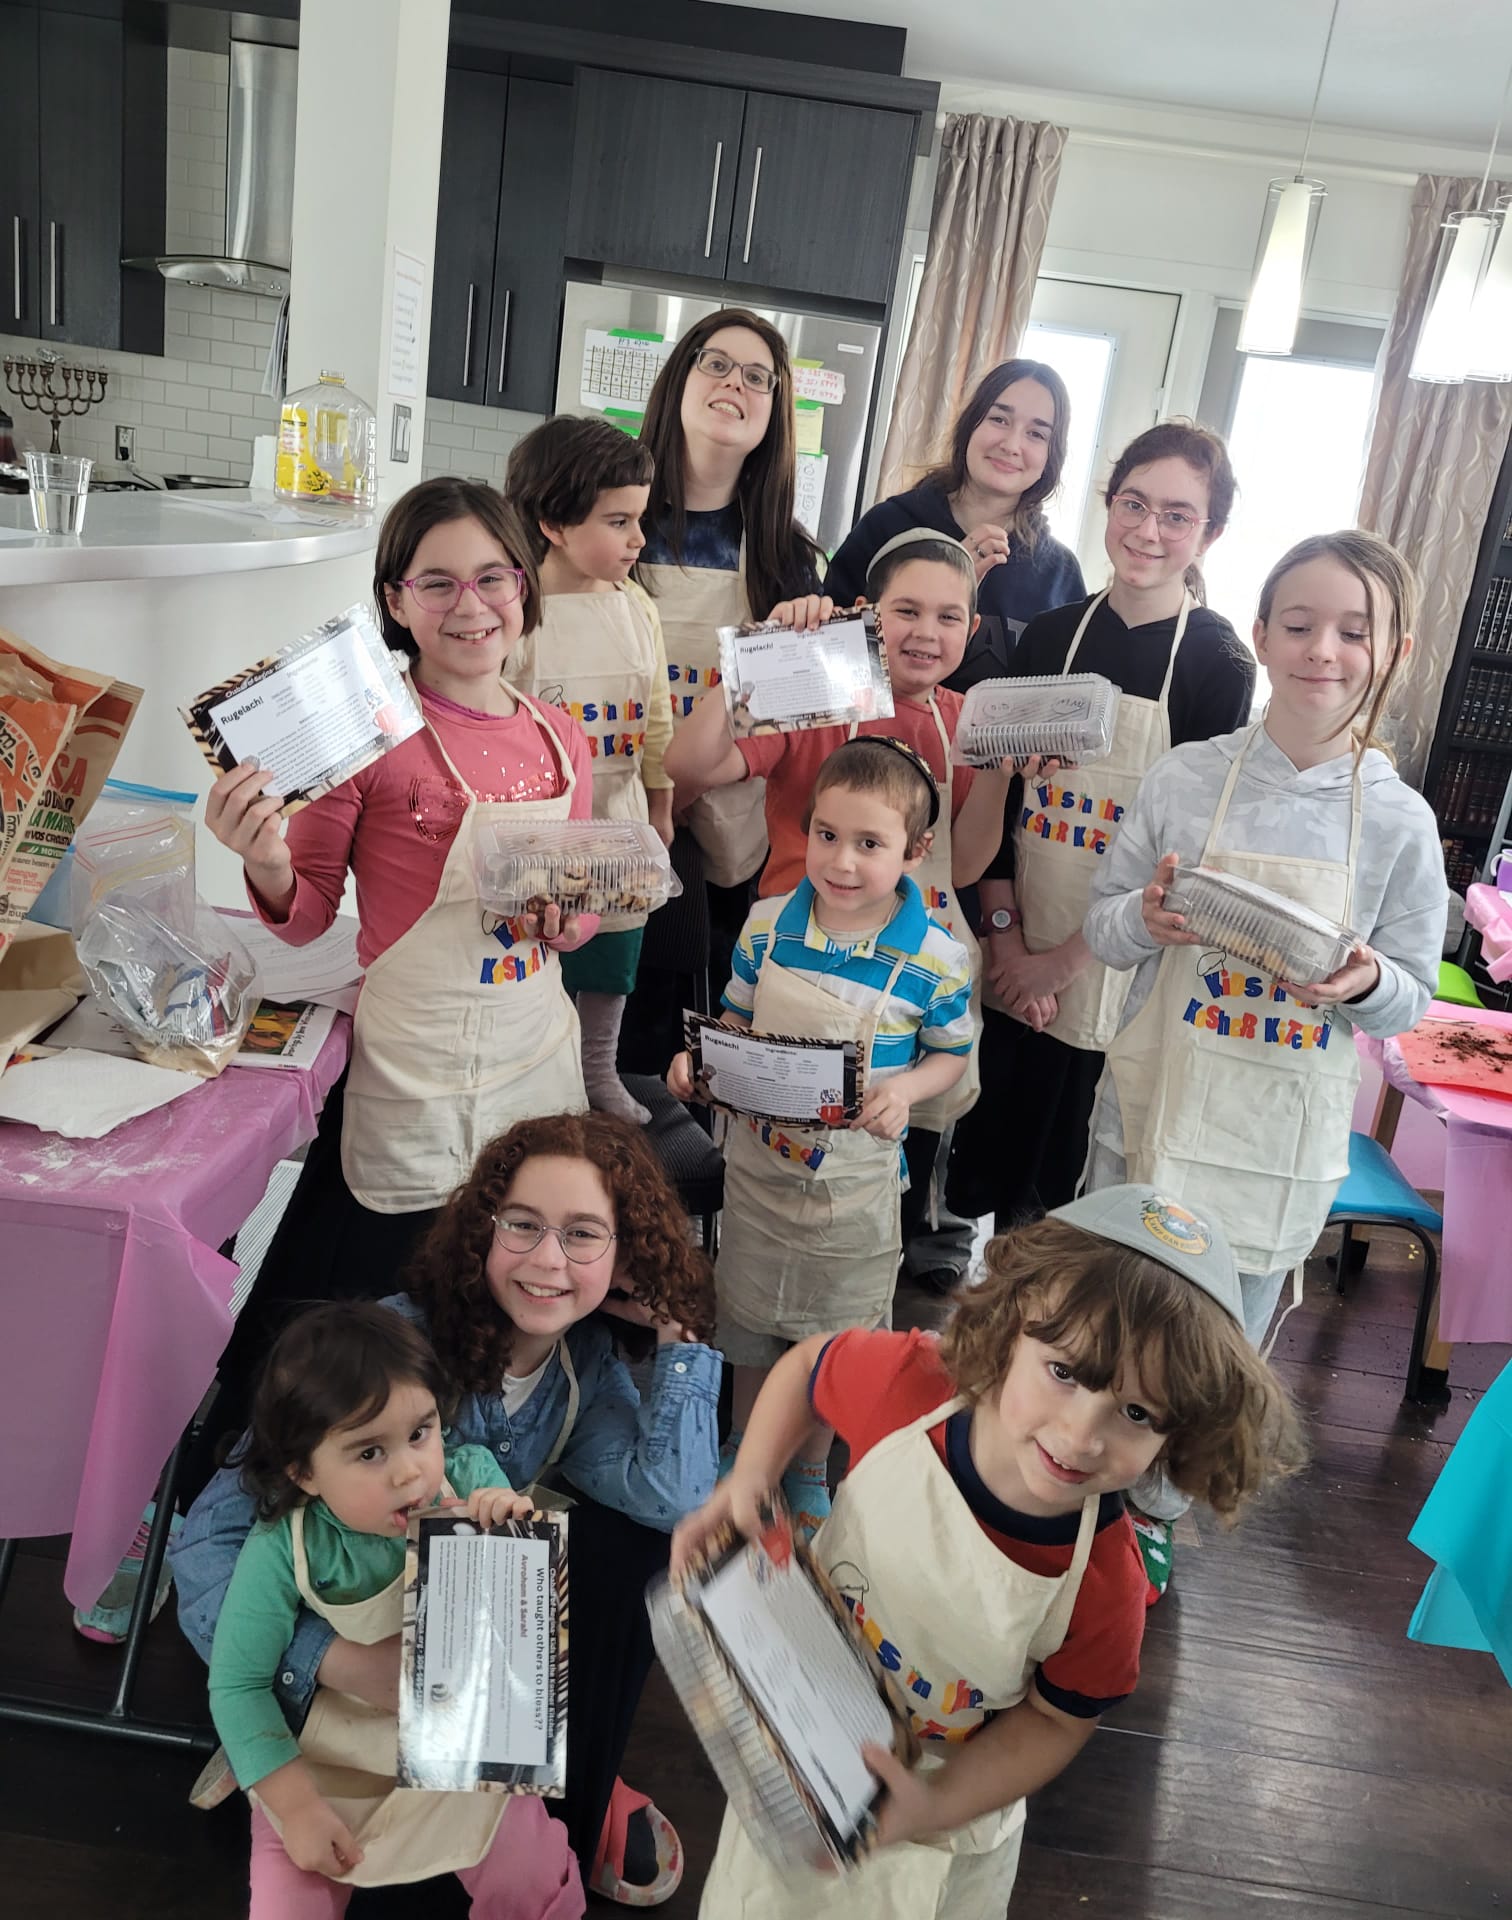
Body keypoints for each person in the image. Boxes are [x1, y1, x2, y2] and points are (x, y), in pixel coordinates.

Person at [673, 1182, 1305, 1919]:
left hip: (951, 1804)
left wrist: (934, 1803)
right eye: (1063, 1373)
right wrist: (750, 1474)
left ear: (1180, 1433)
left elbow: (1056, 1721)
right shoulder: (910, 1388)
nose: (1079, 1436)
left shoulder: (1105, 1587)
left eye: (1136, 1412)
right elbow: (814, 1367)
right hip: (810, 1731)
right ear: (1010, 1329)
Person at [174, 1111, 718, 1906]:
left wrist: (680, 1335)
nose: (547, 1260)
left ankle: (565, 1800)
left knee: (634, 1552)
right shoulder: (381, 1347)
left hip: (457, 1685)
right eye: (523, 1226)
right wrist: (336, 1660)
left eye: (584, 1236)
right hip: (327, 1681)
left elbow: (672, 1496)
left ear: (627, 1253)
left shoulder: (584, 1366)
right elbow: (210, 1544)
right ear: (482, 1230)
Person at [202, 479, 598, 1446]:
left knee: (504, 1289)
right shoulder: (366, 741)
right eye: (437, 583)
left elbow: (575, 912)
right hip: (414, 1068)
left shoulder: (563, 737)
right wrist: (260, 854)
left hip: (532, 1052)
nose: (471, 606)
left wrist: (567, 920)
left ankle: (468, 1471)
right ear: (394, 601)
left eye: (492, 577)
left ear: (525, 583)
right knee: (371, 1315)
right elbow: (303, 918)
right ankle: (280, 1484)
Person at [1082, 529, 1446, 1582]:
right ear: (1261, 633)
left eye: (1352, 630)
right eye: (1298, 624)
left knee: (1207, 1349)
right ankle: (1071, 1498)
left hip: (1270, 1133)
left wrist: (1364, 983)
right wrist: (1149, 921)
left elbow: (1410, 1001)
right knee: (1114, 1317)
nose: (1321, 650)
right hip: (1155, 1106)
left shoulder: (1399, 824)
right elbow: (1105, 930)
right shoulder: (1188, 779)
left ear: (1397, 651)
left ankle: (1150, 1515)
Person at [664, 529, 1012, 1255]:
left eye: (949, 617)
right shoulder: (818, 693)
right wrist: (764, 658)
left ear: (971, 630)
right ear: (865, 613)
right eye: (906, 610)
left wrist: (1003, 769)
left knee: (877, 1186)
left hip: (910, 980)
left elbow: (968, 864)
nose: (927, 632)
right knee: (774, 1168)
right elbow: (686, 760)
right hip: (796, 963)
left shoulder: (965, 723)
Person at [947, 422, 1255, 1239]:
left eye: (1178, 516)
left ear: (1210, 533)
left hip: (1114, 978)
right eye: (1134, 503)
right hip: (1017, 953)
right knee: (989, 1177)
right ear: (1109, 504)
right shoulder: (1053, 637)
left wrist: (1064, 963)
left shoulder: (1216, 665)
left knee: (1066, 1209)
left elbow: (1184, 860)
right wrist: (1011, 944)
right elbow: (1006, 807)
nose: (1149, 531)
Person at [667, 738, 973, 1540]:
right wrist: (697, 1061)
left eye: (870, 845)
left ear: (916, 851)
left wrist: (903, 1090)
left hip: (855, 1190)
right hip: (758, 1175)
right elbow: (735, 1015)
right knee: (747, 1314)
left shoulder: (935, 960)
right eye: (827, 836)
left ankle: (807, 1469)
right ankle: (744, 1447)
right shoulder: (768, 925)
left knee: (835, 1331)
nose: (840, 862)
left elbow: (951, 1055)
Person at [207, 1300, 583, 1919]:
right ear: (304, 1472)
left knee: (529, 1878)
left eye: (419, 1433)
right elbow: (237, 1684)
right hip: (332, 1762)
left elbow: (524, 1645)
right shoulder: (284, 1545)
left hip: (464, 1746)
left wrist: (510, 1527)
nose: (410, 1472)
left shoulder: (469, 1480)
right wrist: (295, 1806)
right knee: (286, 1900)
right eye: (368, 1453)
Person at [620, 308, 824, 1076]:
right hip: (605, 825)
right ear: (679, 380)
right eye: (716, 363)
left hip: (726, 851)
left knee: (675, 1066)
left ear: (773, 412)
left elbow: (797, 724)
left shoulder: (787, 559)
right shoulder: (614, 521)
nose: (734, 383)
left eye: (757, 377)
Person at [505, 416, 672, 1125]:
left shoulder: (637, 605)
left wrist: (661, 809)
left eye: (640, 518)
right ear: (554, 521)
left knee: (613, 955)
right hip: (536, 822)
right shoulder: (516, 609)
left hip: (620, 809)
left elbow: (658, 717)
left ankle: (596, 1069)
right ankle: (533, 1081)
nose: (639, 538)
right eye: (619, 520)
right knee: (536, 958)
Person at [824, 359, 1085, 687]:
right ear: (970, 424)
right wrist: (947, 579)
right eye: (999, 418)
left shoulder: (1059, 573)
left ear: (1052, 455)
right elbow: (826, 665)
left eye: (1036, 433)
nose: (1011, 444)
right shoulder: (887, 526)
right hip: (876, 737)